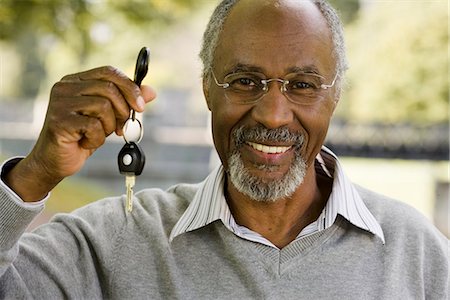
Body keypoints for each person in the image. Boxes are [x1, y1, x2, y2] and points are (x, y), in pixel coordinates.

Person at [0, 0, 448, 298]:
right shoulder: (113, 240)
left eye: (302, 85)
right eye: (245, 81)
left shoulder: (415, 251)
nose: (273, 114)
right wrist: (36, 172)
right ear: (207, 91)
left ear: (335, 96)